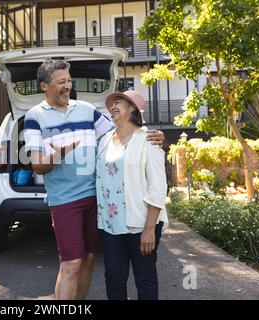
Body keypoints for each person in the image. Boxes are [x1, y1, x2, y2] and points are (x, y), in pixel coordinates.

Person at [23, 59, 164, 300]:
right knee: (71, 263)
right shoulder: (34, 116)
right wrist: (61, 151)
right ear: (44, 86)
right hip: (64, 199)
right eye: (60, 82)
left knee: (89, 258)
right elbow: (38, 166)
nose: (67, 86)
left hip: (96, 198)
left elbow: (120, 132)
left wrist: (150, 134)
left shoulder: (87, 110)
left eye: (69, 80)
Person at [96, 90, 169, 300]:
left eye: (118, 102)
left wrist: (149, 230)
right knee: (113, 277)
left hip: (141, 223)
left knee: (145, 279)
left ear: (133, 109)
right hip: (110, 224)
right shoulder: (105, 141)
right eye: (112, 104)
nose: (112, 107)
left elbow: (158, 187)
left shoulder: (149, 140)